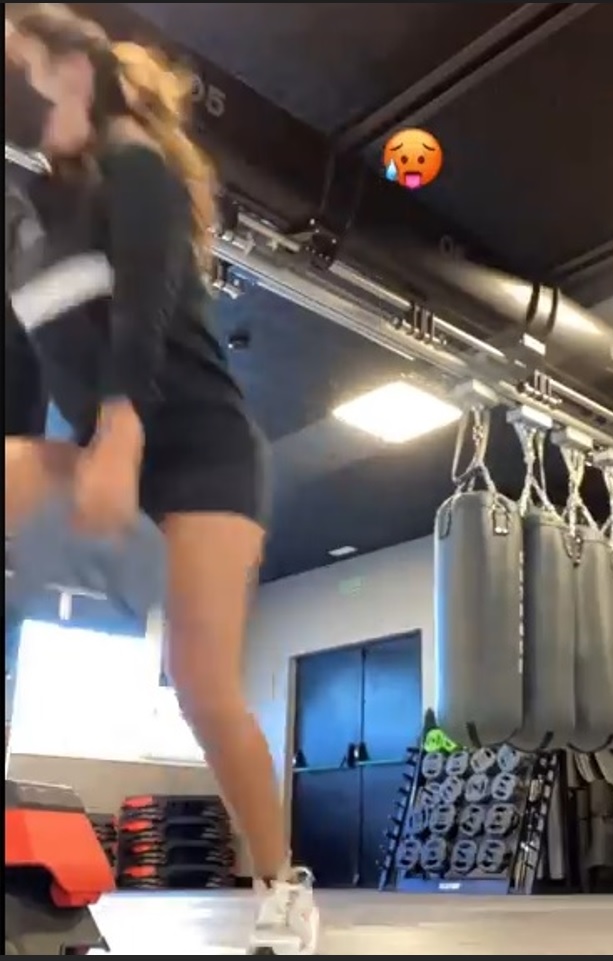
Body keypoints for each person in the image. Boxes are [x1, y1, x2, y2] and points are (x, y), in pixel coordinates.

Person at [4, 5, 319, 954]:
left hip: (198, 449)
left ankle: (283, 884)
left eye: (22, 66)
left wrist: (120, 430)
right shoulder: (29, 215)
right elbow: (20, 369)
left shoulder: (134, 165)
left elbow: (142, 308)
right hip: (111, 449)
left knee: (201, 686)